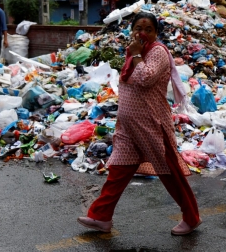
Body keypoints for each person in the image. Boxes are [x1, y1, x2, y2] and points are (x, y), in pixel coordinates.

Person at [77, 12, 202, 236]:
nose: (142, 33)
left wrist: (136, 56)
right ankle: (100, 216)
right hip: (128, 126)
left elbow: (145, 79)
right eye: (138, 28)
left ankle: (191, 217)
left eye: (148, 29)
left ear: (155, 33)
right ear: (131, 30)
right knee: (118, 170)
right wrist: (134, 54)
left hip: (150, 123)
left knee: (169, 171)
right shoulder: (134, 52)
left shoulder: (157, 52)